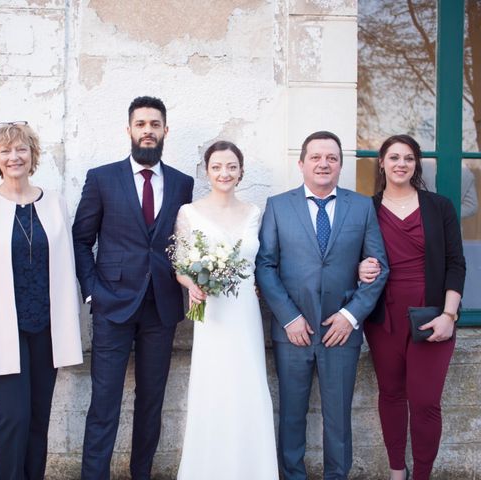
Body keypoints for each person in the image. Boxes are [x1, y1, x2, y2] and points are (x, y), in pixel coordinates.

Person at [255, 130, 389, 479]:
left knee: (338, 417)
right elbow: (265, 266)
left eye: (331, 157)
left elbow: (379, 266)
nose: (323, 163)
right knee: (292, 415)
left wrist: (350, 316)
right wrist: (289, 318)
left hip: (340, 332)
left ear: (341, 165)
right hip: (293, 333)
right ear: (301, 164)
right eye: (315, 157)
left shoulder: (360, 207)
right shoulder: (278, 206)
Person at [72, 96, 194, 480]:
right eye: (140, 124)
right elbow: (80, 240)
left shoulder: (182, 183)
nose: (147, 131)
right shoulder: (101, 178)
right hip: (112, 305)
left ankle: (141, 473)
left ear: (164, 131)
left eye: (154, 124)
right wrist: (93, 290)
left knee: (151, 401)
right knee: (104, 402)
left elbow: (184, 243)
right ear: (129, 130)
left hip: (162, 308)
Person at [0, 122, 83, 479]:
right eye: (5, 151)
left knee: (38, 419)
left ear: (32, 155)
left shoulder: (56, 203)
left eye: (21, 149)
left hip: (46, 327)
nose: (14, 157)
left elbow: (67, 265)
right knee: (13, 418)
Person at [359, 134, 465, 480]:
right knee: (391, 394)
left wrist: (449, 315)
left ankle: (421, 474)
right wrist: (359, 268)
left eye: (408, 158)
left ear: (416, 163)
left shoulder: (439, 207)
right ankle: (396, 471)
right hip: (384, 317)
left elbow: (455, 263)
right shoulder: (367, 209)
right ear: (382, 163)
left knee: (424, 401)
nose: (400, 164)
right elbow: (352, 258)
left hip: (432, 315)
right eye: (394, 157)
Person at [174, 141, 279, 479]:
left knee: (248, 386)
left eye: (232, 166)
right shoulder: (189, 212)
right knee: (213, 387)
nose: (225, 173)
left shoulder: (254, 212)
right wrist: (192, 284)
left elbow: (260, 262)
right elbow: (179, 265)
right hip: (211, 313)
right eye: (217, 166)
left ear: (241, 171)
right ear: (207, 171)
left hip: (245, 311)